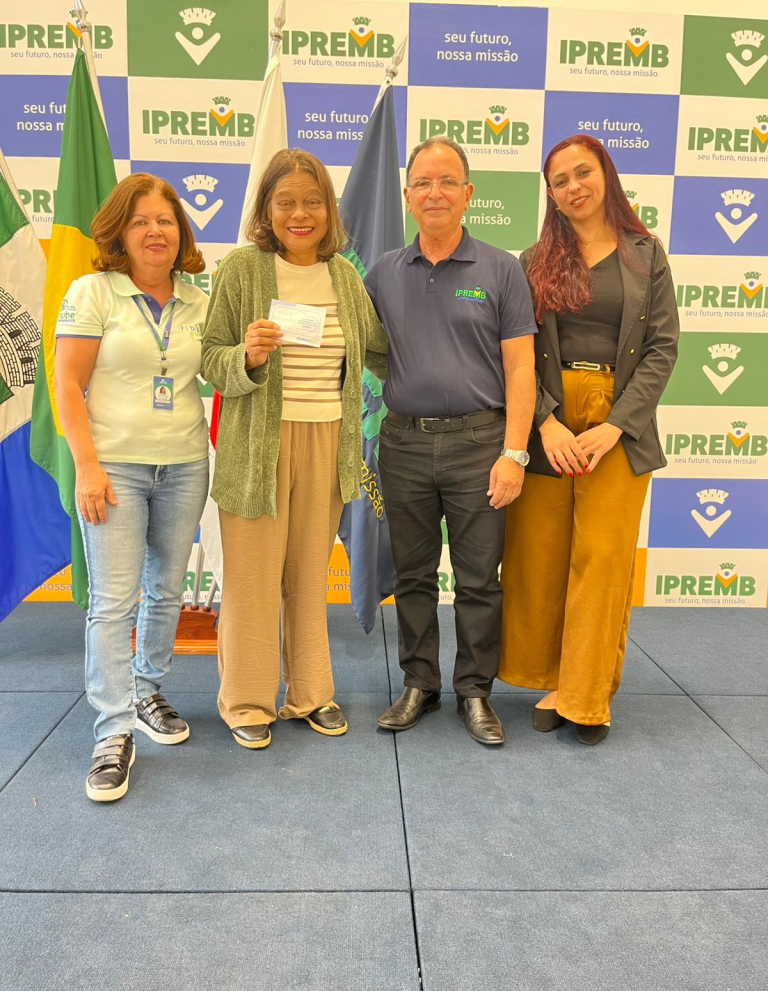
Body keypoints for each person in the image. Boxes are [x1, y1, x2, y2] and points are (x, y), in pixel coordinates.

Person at [201, 149, 388, 750]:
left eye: (312, 202)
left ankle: (310, 693)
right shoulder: (241, 270)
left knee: (309, 577)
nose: (300, 214)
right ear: (266, 209)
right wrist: (247, 356)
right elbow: (211, 359)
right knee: (253, 581)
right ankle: (247, 701)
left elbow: (379, 349)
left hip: (328, 442)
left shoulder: (345, 277)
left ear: (329, 210)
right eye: (286, 202)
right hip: (256, 446)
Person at [498, 134, 679, 745]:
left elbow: (661, 348)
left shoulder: (647, 255)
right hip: (546, 422)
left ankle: (586, 695)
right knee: (540, 556)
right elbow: (515, 353)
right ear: (549, 194)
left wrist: (615, 425)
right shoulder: (532, 261)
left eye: (583, 172)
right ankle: (552, 678)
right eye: (560, 180)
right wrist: (544, 422)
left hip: (618, 425)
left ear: (606, 174)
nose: (573, 186)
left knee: (601, 561)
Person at [365, 136, 537, 746]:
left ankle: (474, 691)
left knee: (478, 580)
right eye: (422, 182)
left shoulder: (501, 268)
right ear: (407, 196)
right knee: (412, 575)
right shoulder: (382, 273)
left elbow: (521, 368)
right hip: (403, 445)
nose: (433, 192)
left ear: (468, 194)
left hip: (481, 445)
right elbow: (357, 350)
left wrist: (514, 453)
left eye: (446, 182)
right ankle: (420, 683)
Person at [54, 174, 210, 801]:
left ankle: (146, 691)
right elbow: (67, 385)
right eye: (141, 220)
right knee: (114, 602)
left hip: (185, 464)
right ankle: (113, 730)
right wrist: (87, 466)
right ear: (121, 231)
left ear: (181, 232)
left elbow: (219, 371)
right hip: (113, 467)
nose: (154, 231)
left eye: (165, 220)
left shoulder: (199, 300)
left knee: (166, 591)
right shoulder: (93, 291)